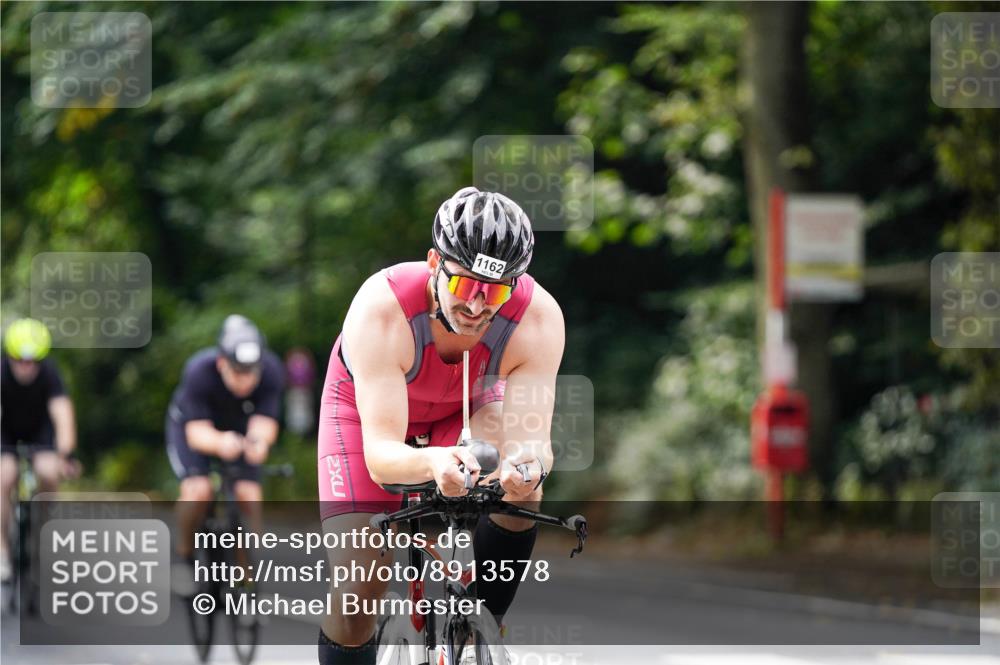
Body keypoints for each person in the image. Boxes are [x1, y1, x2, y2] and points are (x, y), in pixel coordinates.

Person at [317, 187, 565, 664]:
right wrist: (433, 462)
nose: (475, 305)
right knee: (356, 595)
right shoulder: (382, 307)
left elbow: (534, 442)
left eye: (493, 291)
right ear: (434, 262)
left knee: (523, 488)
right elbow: (383, 455)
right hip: (367, 414)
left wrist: (526, 468)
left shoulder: (537, 319)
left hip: (465, 408)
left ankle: (482, 632)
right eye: (463, 285)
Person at [166, 315, 284, 592]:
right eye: (238, 373)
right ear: (222, 364)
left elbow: (265, 423)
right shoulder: (198, 371)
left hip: (239, 430)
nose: (246, 382)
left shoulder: (272, 371)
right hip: (194, 427)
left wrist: (258, 443)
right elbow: (197, 434)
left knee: (249, 493)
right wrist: (220, 443)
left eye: (251, 373)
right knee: (199, 490)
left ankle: (246, 569)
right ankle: (184, 556)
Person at [1, 318, 77, 582]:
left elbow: (62, 413)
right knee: (4, 476)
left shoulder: (50, 373)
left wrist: (66, 454)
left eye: (32, 362)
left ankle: (47, 534)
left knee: (48, 471)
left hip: (40, 432)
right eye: (19, 361)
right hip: (6, 431)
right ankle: (2, 550)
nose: (26, 367)